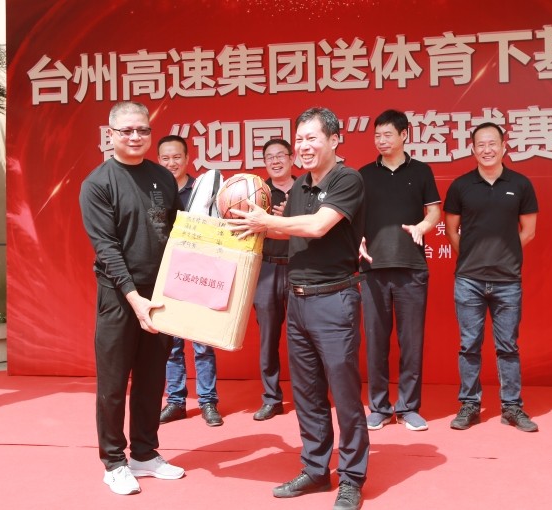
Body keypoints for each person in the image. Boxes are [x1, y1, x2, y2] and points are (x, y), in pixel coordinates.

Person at [229, 107, 368, 510]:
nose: (304, 147)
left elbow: (317, 226)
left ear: (334, 140)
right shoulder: (301, 187)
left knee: (344, 395)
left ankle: (352, 478)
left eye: (312, 139)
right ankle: (316, 468)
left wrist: (266, 222)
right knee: (307, 394)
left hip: (335, 301)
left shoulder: (347, 179)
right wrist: (241, 223)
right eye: (300, 140)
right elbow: (284, 233)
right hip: (298, 300)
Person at [79, 101, 185, 495]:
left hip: (160, 295)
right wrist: (133, 297)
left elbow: (179, 232)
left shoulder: (163, 177)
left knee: (152, 378)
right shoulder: (98, 183)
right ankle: (113, 462)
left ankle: (144, 453)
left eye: (142, 129)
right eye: (126, 130)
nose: (135, 136)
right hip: (119, 297)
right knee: (113, 382)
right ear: (111, 134)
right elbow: (106, 248)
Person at [443, 121, 539, 433]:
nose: (487, 150)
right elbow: (451, 230)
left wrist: (503, 253)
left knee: (508, 346)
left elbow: (528, 231)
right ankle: (469, 405)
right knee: (469, 345)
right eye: (481, 145)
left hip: (507, 280)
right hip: (468, 279)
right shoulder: (461, 186)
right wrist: (473, 255)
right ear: (472, 149)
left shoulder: (520, 184)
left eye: (492, 144)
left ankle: (512, 407)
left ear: (503, 147)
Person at [358, 109, 441, 432]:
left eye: (387, 135)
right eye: (377, 135)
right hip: (372, 268)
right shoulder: (364, 174)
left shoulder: (421, 172)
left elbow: (434, 212)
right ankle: (379, 407)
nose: (381, 141)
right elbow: (352, 215)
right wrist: (357, 238)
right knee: (376, 342)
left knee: (411, 342)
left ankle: (408, 407)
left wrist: (422, 227)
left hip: (412, 268)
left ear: (404, 135)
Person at [156, 135, 223, 427]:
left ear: (187, 159)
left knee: (202, 343)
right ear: (159, 160)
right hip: (165, 275)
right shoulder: (154, 191)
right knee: (171, 345)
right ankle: (176, 401)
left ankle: (208, 402)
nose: (171, 163)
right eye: (165, 158)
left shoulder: (203, 191)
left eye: (177, 157)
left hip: (199, 276)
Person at [252, 139, 296, 421]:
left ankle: (309, 395)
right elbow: (245, 227)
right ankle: (272, 398)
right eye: (270, 157)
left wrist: (286, 221)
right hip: (266, 269)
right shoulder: (258, 194)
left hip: (300, 268)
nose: (276, 161)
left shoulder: (306, 190)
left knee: (304, 337)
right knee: (268, 338)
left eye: (281, 155)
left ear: (292, 158)